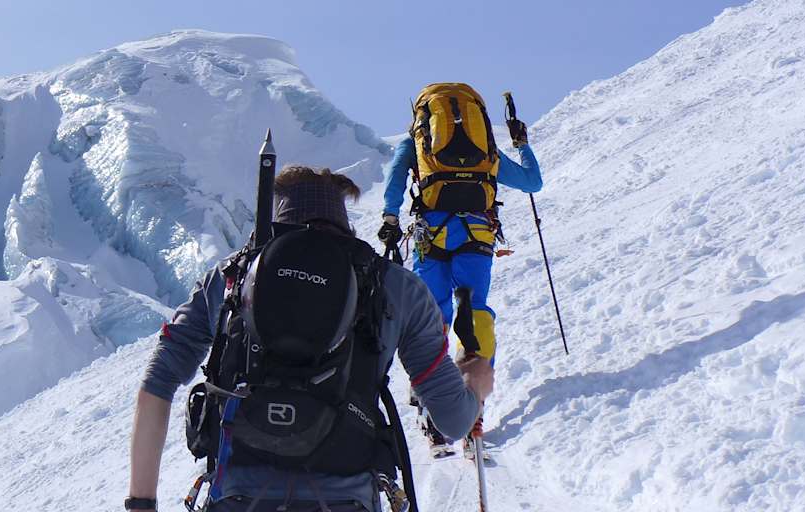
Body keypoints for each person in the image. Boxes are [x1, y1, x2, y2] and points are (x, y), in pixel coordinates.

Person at [126, 165, 492, 512]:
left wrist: (142, 505)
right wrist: (473, 383)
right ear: (341, 213)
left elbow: (156, 384)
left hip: (237, 500)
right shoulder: (396, 287)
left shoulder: (229, 279)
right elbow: (452, 420)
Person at [377, 83, 543, 454]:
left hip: (430, 236)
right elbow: (534, 182)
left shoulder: (418, 145)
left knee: (432, 315)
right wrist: (522, 144)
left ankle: (430, 406)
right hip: (477, 234)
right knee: (475, 311)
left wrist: (390, 216)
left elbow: (394, 181)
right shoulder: (484, 151)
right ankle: (474, 403)